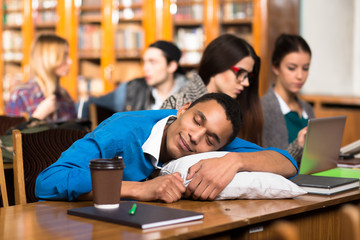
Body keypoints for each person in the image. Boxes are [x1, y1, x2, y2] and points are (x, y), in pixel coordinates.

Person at [35, 93, 298, 203]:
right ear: (183, 109)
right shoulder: (121, 132)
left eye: (211, 140)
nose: (196, 137)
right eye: (197, 120)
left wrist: (234, 161)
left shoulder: (219, 142)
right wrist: (139, 189)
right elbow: (47, 182)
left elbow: (287, 162)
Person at [161, 34, 263, 145]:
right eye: (240, 72)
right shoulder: (177, 103)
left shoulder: (242, 109)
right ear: (218, 63)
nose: (246, 82)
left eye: (248, 76)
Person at [78, 40, 188, 119]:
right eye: (144, 62)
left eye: (152, 62)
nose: (145, 68)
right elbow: (89, 103)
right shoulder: (132, 88)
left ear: (172, 66)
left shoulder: (191, 92)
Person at [261, 33, 315, 164]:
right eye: (292, 68)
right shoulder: (262, 109)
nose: (300, 76)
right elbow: (266, 162)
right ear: (275, 67)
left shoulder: (307, 109)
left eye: (305, 68)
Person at [5, 34, 77, 122]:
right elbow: (11, 135)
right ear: (49, 58)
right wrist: (38, 116)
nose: (70, 61)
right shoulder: (21, 95)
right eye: (64, 56)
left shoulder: (65, 97)